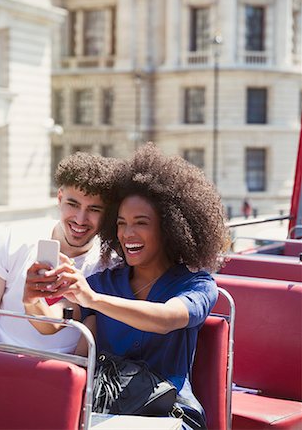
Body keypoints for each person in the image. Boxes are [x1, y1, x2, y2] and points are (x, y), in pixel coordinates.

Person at [24, 143, 230, 428]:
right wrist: (31, 299)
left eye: (140, 222)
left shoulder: (197, 284)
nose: (127, 233)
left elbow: (167, 319)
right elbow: (56, 323)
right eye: (121, 223)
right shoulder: (103, 283)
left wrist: (93, 299)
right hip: (106, 412)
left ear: (170, 227)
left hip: (171, 416)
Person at [0, 152, 121, 353]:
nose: (80, 219)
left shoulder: (110, 266)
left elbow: (52, 325)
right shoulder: (13, 239)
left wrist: (32, 300)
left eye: (94, 209)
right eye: (73, 204)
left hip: (62, 377)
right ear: (60, 198)